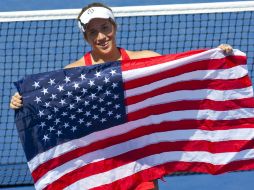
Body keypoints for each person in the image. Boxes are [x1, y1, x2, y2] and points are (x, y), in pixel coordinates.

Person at [10, 2, 233, 189]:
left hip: (139, 164)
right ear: (86, 37)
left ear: (114, 27)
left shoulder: (145, 61)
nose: (101, 36)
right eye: (93, 32)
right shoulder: (72, 74)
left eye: (105, 27)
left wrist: (217, 58)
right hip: (98, 169)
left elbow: (183, 76)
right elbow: (50, 108)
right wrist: (22, 102)